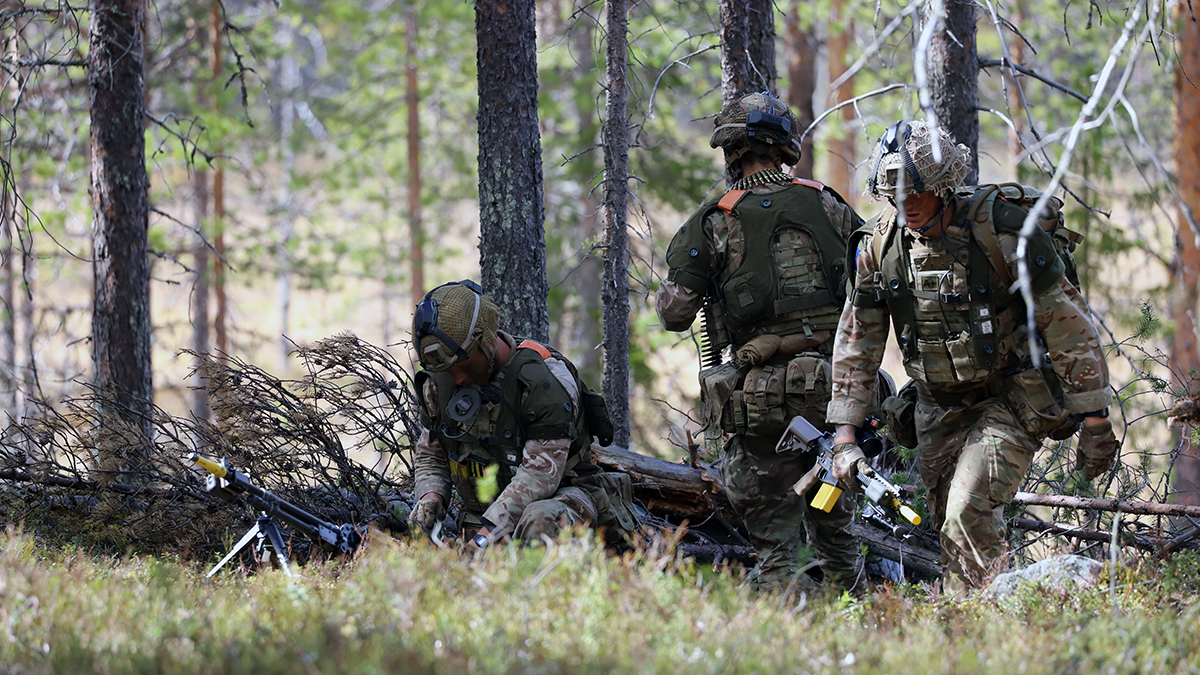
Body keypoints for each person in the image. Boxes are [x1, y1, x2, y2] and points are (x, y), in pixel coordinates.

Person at [826, 120, 1121, 590]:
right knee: (947, 525)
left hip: (1008, 400)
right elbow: (857, 341)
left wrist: (1095, 419)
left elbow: (1068, 324)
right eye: (894, 192)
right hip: (936, 408)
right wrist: (844, 436)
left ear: (943, 187)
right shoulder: (878, 247)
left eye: (915, 192)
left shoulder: (1004, 234)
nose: (905, 203)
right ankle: (974, 627)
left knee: (968, 511)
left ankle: (985, 631)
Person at [657, 92, 867, 590]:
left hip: (764, 412)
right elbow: (872, 284)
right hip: (834, 400)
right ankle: (862, 626)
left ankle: (786, 639)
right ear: (784, 149)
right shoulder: (828, 203)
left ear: (732, 154)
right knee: (834, 526)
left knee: (776, 543)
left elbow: (674, 312)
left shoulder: (715, 221)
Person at [407, 280, 638, 549]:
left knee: (539, 518)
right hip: (484, 522)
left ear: (487, 339)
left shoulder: (545, 382)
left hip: (563, 502)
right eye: (447, 370)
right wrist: (429, 499)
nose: (457, 379)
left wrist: (485, 537)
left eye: (463, 364)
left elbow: (539, 476)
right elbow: (431, 455)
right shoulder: (440, 381)